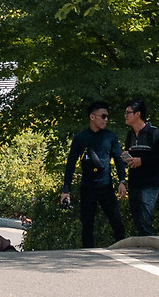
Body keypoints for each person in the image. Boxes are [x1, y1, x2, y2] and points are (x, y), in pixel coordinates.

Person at [61, 100, 127, 247]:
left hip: (106, 186)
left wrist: (122, 181)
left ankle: (123, 251)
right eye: (103, 116)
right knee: (87, 225)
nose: (106, 120)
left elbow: (118, 160)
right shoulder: (80, 138)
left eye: (107, 116)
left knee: (117, 222)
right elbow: (70, 164)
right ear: (92, 117)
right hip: (87, 187)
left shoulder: (110, 137)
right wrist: (66, 189)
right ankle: (87, 255)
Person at [122, 98, 159, 236]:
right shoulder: (130, 135)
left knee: (145, 218)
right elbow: (130, 156)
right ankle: (146, 244)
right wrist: (126, 157)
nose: (125, 116)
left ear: (137, 114)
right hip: (134, 182)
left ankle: (150, 245)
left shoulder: (154, 133)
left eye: (128, 112)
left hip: (150, 182)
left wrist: (142, 161)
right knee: (137, 218)